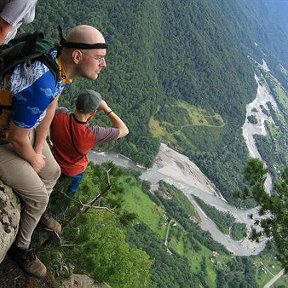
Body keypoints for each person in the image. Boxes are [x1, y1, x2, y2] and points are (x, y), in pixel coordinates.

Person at [0, 24, 108, 278]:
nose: (104, 65)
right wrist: (32, 157)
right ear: (77, 56)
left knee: (53, 170)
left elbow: (52, 104)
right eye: (100, 58)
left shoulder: (57, 64)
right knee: (38, 194)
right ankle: (21, 247)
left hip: (18, 130)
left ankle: (35, 213)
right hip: (5, 138)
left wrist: (39, 148)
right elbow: (16, 138)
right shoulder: (42, 83)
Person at [50, 89, 129, 195]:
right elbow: (124, 130)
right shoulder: (94, 133)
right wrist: (107, 109)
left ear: (76, 103)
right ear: (93, 113)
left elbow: (52, 102)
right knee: (65, 197)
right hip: (73, 172)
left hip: (53, 162)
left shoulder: (59, 114)